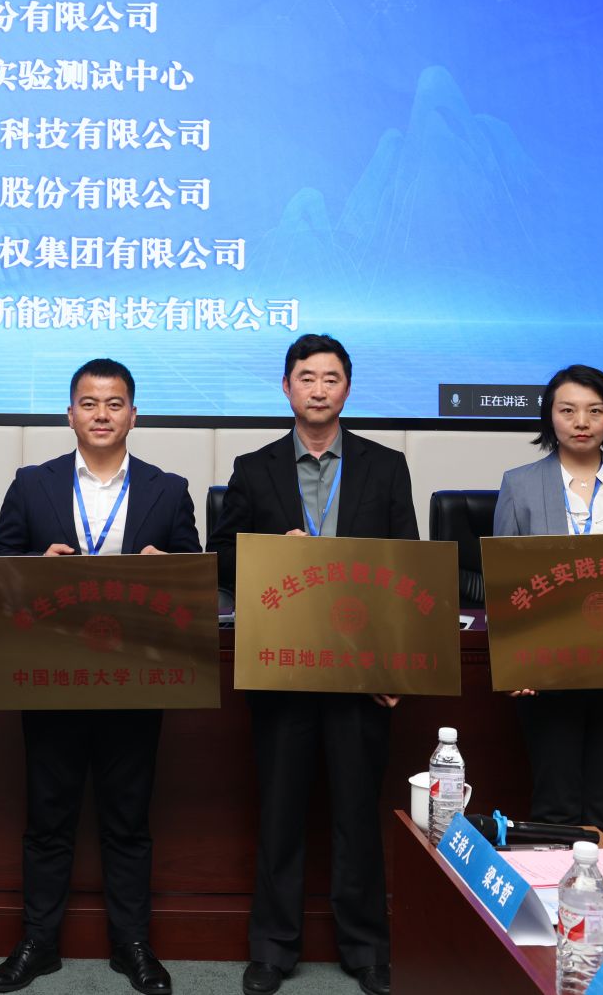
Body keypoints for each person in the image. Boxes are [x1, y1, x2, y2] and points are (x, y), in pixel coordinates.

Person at [208, 334, 418, 995]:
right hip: (283, 665)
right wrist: (277, 549)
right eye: (307, 377)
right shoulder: (254, 467)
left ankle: (366, 949)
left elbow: (407, 563)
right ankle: (272, 949)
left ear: (346, 389)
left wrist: (395, 668)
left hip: (360, 671)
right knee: (280, 813)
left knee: (358, 815)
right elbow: (221, 556)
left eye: (331, 378)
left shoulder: (386, 466)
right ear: (287, 387)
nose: (319, 389)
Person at [0, 358, 201, 995]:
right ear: (70, 414)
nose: (101, 414)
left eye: (114, 403)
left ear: (134, 414)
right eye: (89, 403)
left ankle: (133, 945)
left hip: (136, 681)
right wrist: (37, 563)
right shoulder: (33, 484)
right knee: (47, 819)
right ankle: (38, 943)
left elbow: (199, 580)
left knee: (127, 821)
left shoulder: (168, 489)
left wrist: (169, 565)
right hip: (51, 675)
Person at [491, 364, 603, 847]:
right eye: (568, 411)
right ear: (550, 417)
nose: (582, 422)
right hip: (548, 670)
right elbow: (505, 580)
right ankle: (554, 897)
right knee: (555, 805)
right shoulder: (520, 484)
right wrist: (515, 664)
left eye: (595, 410)